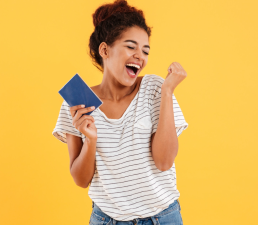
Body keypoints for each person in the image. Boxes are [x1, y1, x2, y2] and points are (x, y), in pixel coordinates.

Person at [52, 0, 189, 224]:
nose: (140, 56)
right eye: (131, 46)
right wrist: (90, 140)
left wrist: (167, 92)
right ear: (105, 49)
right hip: (107, 219)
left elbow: (164, 162)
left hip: (163, 218)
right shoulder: (78, 104)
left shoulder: (155, 89)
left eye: (145, 51)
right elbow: (80, 179)